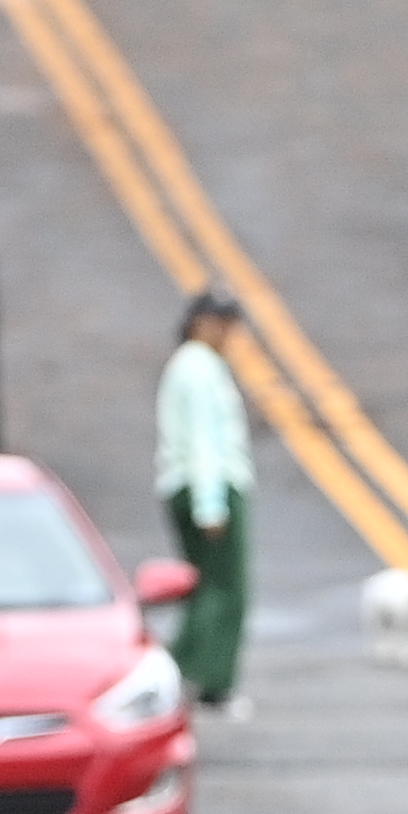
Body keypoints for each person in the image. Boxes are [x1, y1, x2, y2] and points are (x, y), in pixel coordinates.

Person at [156, 288, 258, 715]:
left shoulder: (192, 366)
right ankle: (201, 677)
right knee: (223, 589)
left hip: (193, 485)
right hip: (207, 486)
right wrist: (211, 505)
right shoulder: (198, 368)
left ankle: (182, 675)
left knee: (207, 588)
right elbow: (203, 441)